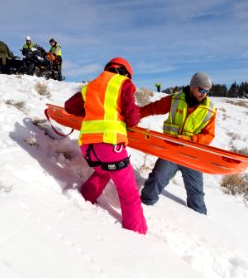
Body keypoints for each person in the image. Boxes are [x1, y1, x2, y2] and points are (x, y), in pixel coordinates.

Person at [64, 57, 148, 234]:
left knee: (103, 172)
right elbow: (132, 118)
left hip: (87, 147)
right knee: (129, 193)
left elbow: (69, 107)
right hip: (109, 144)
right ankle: (137, 234)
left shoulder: (91, 86)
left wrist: (90, 110)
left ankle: (84, 200)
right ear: (125, 73)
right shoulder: (122, 83)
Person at [139, 72, 216, 214]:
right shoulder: (175, 99)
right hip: (170, 151)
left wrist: (192, 140)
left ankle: (201, 219)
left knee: (196, 193)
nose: (203, 94)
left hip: (192, 155)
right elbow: (153, 108)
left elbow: (209, 135)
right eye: (201, 90)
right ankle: (144, 206)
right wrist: (136, 115)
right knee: (157, 178)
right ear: (193, 87)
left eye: (207, 91)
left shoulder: (209, 109)